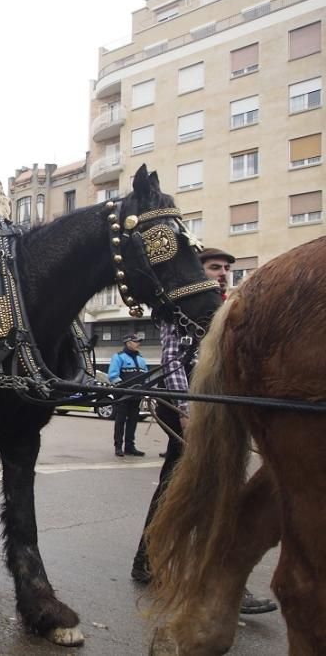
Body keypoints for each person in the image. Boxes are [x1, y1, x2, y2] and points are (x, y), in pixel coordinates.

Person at [131, 247, 277, 614]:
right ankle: (205, 576)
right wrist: (186, 409)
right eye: (215, 267)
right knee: (201, 487)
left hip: (222, 406)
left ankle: (150, 562)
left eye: (227, 268)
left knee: (193, 485)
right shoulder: (180, 307)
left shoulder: (230, 306)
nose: (223, 272)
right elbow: (172, 359)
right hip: (194, 406)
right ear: (198, 271)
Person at [108, 332, 148, 457]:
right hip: (123, 395)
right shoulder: (118, 357)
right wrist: (124, 388)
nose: (138, 344)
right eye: (136, 341)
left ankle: (130, 447)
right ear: (128, 343)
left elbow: (146, 376)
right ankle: (118, 446)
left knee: (133, 421)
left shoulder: (141, 359)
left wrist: (145, 389)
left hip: (136, 396)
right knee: (120, 421)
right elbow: (113, 375)